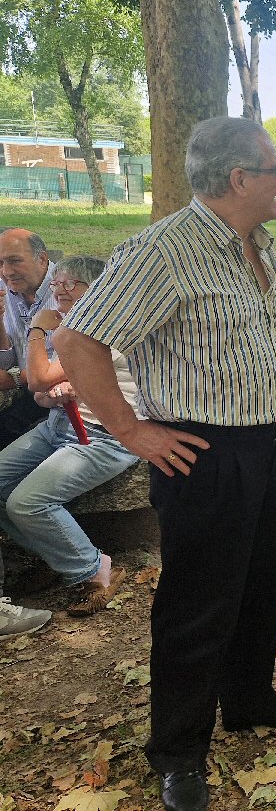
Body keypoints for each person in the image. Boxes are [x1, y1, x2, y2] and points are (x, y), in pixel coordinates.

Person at [56, 116, 276, 811]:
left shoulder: (257, 243)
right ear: (239, 178)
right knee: (198, 607)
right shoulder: (164, 250)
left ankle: (250, 701)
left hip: (265, 442)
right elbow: (78, 341)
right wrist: (130, 429)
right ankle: (178, 751)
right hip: (200, 452)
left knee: (262, 584)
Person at [0, 256, 135, 617]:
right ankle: (56, 557)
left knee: (26, 502)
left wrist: (37, 330)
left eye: (71, 283)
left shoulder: (107, 328)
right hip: (58, 426)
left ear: (99, 289)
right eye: (57, 283)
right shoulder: (71, 328)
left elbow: (37, 378)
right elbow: (42, 393)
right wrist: (52, 395)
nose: (59, 290)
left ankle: (95, 569)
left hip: (103, 436)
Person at [0, 229, 54, 448]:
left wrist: (15, 379)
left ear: (42, 259)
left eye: (15, 261)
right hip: (29, 392)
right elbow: (6, 362)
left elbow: (80, 365)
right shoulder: (5, 287)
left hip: (62, 397)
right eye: (0, 263)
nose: (6, 272)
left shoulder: (68, 289)